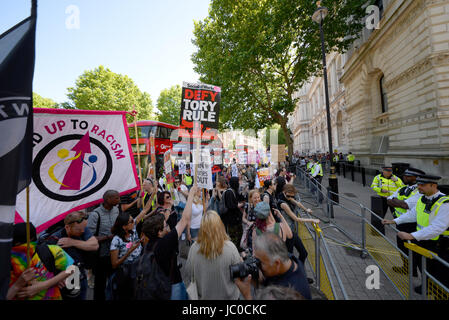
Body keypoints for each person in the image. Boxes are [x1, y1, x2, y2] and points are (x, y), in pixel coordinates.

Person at [382, 175, 449, 293]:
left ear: (433, 185)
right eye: (418, 184)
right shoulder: (422, 199)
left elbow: (438, 227)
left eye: (422, 185)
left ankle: (435, 289)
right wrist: (394, 221)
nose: (419, 187)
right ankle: (428, 285)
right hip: (424, 239)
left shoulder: (444, 203)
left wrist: (412, 236)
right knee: (424, 266)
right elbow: (413, 214)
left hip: (439, 242)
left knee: (436, 269)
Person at [140, 185, 198, 299]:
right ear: (159, 232)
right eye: (165, 226)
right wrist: (191, 194)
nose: (168, 227)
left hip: (158, 286)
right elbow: (184, 219)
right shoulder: (165, 242)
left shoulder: (147, 245)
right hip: (172, 285)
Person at [234, 232, 311, 300]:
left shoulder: (291, 293)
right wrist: (256, 280)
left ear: (277, 263)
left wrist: (247, 295)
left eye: (260, 262)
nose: (258, 265)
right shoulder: (287, 259)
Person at [8, 223, 74, 300]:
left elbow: (72, 268)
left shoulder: (50, 250)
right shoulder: (6, 261)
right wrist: (18, 285)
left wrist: (43, 285)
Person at [185, 210, 242, 300]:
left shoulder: (194, 249)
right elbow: (239, 274)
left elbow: (189, 273)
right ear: (220, 226)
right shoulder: (230, 247)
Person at [47, 210, 99, 300]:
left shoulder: (82, 229)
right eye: (79, 229)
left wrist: (73, 242)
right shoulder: (55, 239)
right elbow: (47, 264)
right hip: (65, 282)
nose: (83, 231)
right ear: (67, 227)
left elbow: (95, 245)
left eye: (84, 228)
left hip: (81, 278)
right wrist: (55, 278)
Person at [109, 199, 152, 300]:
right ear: (124, 227)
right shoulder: (116, 240)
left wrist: (153, 193)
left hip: (139, 265)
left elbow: (145, 210)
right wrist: (130, 251)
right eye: (131, 221)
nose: (134, 222)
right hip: (127, 271)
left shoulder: (133, 229)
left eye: (133, 220)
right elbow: (114, 264)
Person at [386, 168, 425, 274]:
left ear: (416, 178)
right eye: (405, 175)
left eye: (408, 176)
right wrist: (398, 202)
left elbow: (405, 205)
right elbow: (388, 200)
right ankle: (407, 268)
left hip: (412, 225)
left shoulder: (420, 191)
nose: (404, 177)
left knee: (415, 251)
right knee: (402, 247)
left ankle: (418, 273)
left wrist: (398, 202)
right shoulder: (402, 188)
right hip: (401, 223)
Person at [87, 189, 121, 301]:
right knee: (100, 284)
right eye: (116, 198)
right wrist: (107, 237)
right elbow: (90, 238)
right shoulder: (95, 214)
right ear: (108, 199)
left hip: (115, 254)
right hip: (101, 255)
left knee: (114, 282)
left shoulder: (116, 210)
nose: (119, 200)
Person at [278, 184, 318, 264]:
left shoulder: (287, 197)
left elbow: (297, 203)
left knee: (303, 253)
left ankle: (299, 270)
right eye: (290, 196)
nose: (291, 198)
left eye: (292, 196)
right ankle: (294, 273)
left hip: (292, 231)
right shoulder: (283, 204)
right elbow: (296, 219)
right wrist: (312, 220)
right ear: (284, 192)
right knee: (289, 257)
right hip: (287, 232)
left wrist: (306, 210)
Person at [370, 166, 404, 235]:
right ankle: (378, 230)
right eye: (388, 171)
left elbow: (402, 187)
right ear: (383, 171)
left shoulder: (396, 178)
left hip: (393, 200)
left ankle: (399, 230)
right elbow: (373, 186)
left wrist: (396, 181)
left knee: (396, 215)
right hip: (382, 198)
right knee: (380, 215)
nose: (389, 173)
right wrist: (381, 190)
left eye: (390, 171)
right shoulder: (378, 177)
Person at [222, 176, 245, 250]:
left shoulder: (234, 190)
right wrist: (239, 205)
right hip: (231, 219)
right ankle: (234, 251)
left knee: (240, 233)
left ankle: (238, 248)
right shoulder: (229, 192)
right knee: (233, 236)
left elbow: (241, 198)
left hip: (236, 218)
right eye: (238, 182)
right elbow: (230, 206)